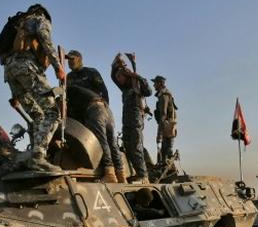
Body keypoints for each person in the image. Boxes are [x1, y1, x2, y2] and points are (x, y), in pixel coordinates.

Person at [0, 3, 64, 172]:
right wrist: (58, 67)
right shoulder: (39, 19)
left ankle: (35, 157)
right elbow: (45, 39)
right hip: (25, 67)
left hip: (10, 71)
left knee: (37, 115)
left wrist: (15, 94)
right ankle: (38, 158)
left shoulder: (17, 24)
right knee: (53, 113)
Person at [66, 50, 122, 182]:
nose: (69, 62)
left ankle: (110, 174)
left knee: (102, 140)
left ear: (80, 59)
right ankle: (120, 174)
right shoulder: (68, 77)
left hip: (96, 109)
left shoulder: (91, 72)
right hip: (89, 113)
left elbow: (104, 91)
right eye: (68, 59)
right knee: (110, 141)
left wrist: (103, 107)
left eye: (72, 59)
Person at [111, 54, 152, 183]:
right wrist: (116, 64)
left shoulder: (137, 85)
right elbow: (113, 77)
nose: (118, 79)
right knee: (127, 146)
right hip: (127, 120)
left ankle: (143, 175)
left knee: (136, 146)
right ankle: (137, 173)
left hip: (136, 120)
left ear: (127, 76)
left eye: (120, 76)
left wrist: (137, 77)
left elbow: (149, 91)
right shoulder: (125, 88)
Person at [151, 75, 177, 163]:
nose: (154, 85)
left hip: (167, 127)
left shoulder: (164, 96)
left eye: (155, 83)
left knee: (165, 154)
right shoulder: (165, 94)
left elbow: (163, 115)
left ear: (160, 84)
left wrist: (159, 136)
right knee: (164, 154)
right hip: (168, 127)